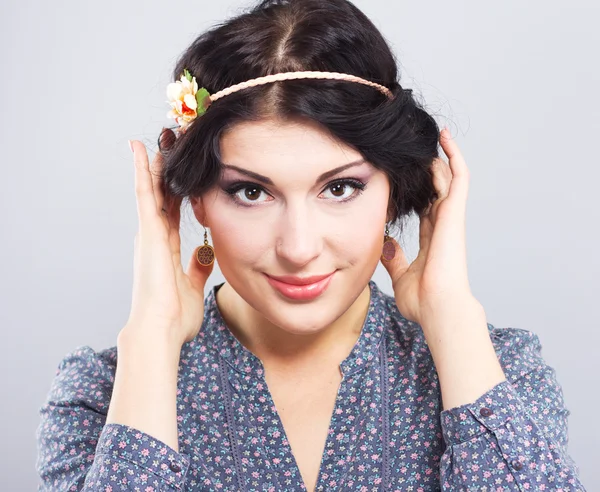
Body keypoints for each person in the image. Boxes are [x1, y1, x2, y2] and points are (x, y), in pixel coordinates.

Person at [35, 0, 586, 490]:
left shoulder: (500, 372)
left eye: (340, 188)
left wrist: (453, 322)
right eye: (251, 192)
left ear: (396, 190)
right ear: (195, 200)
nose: (298, 247)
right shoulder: (101, 395)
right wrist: (151, 342)